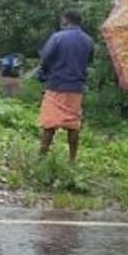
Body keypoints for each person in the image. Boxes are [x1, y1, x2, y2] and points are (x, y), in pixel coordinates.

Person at [37, 10, 95, 162]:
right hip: (76, 88)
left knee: (49, 124)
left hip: (56, 85)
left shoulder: (57, 37)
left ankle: (42, 157)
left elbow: (45, 58)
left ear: (66, 20)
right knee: (73, 124)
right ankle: (72, 159)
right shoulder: (88, 40)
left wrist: (43, 74)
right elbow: (89, 61)